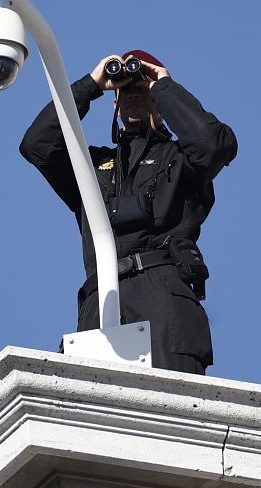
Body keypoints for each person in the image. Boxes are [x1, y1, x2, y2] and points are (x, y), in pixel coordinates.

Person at [19, 50, 237, 374]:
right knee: (94, 417)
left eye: (142, 88)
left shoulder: (181, 161)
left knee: (169, 409)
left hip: (161, 293)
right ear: (115, 103)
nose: (135, 92)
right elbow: (37, 145)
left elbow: (213, 145)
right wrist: (91, 85)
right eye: (126, 89)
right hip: (101, 299)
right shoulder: (91, 167)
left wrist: (163, 85)